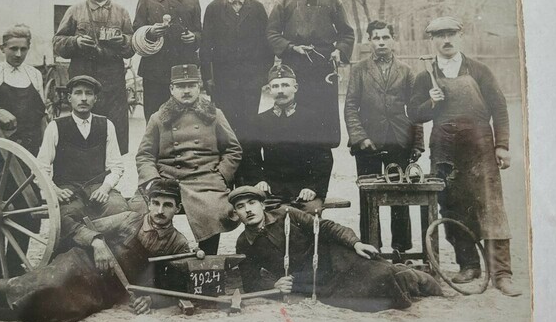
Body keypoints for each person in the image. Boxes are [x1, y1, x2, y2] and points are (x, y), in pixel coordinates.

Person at [0, 179, 191, 322]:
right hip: (83, 264)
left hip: (108, 290)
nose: (159, 211)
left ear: (177, 208)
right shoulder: (128, 219)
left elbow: (176, 286)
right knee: (49, 283)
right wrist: (96, 242)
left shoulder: (178, 244)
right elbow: (78, 226)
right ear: (148, 203)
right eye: (155, 203)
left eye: (167, 205)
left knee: (66, 310)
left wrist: (150, 299)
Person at [409, 16, 521, 296]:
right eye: (440, 35)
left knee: (491, 204)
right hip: (444, 147)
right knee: (453, 205)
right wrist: (431, 102)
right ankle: (469, 265)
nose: (446, 40)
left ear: (460, 37)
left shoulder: (479, 69)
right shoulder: (425, 75)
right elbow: (414, 114)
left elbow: (500, 108)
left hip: (480, 145)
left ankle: (502, 273)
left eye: (451, 34)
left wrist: (502, 145)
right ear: (432, 40)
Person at [230, 186, 442, 312]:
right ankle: (404, 275)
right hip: (307, 279)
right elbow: (250, 281)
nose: (248, 210)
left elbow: (325, 227)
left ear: (262, 205)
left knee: (381, 273)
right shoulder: (243, 242)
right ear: (236, 213)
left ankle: (415, 277)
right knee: (363, 298)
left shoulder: (286, 213)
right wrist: (274, 283)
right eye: (241, 207)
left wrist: (355, 243)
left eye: (252, 203)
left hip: (331, 257)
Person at [135, 64, 242, 255]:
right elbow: (145, 155)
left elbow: (233, 149)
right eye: (181, 86)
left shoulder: (215, 115)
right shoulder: (158, 118)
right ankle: (159, 258)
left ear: (199, 87)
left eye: (191, 85)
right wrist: (152, 180)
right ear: (171, 89)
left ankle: (207, 262)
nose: (186, 91)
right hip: (167, 178)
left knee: (213, 209)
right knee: (137, 211)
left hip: (205, 178)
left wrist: (221, 175)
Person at [344, 20, 424, 253]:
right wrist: (361, 137)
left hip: (399, 140)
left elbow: (416, 109)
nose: (381, 42)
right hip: (367, 143)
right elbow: (350, 106)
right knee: (368, 197)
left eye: (385, 37)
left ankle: (401, 248)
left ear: (393, 40)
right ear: (369, 41)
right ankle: (371, 247)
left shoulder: (407, 71)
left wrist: (417, 143)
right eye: (376, 38)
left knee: (401, 196)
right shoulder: (359, 69)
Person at [0, 24, 47, 276]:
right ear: (2, 48)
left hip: (29, 149)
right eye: (12, 49)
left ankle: (15, 262)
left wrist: (47, 146)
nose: (18, 54)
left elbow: (42, 113)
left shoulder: (34, 75)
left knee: (27, 207)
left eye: (23, 49)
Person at [266, 0, 355, 149]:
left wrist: (339, 50)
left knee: (323, 121)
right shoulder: (284, 2)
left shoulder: (332, 1)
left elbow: (347, 33)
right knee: (294, 118)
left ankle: (321, 163)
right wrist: (291, 48)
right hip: (293, 69)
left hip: (323, 68)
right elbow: (271, 34)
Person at [53, 0, 135, 154]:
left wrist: (121, 40)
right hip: (83, 77)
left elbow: (131, 47)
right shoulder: (75, 11)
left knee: (113, 132)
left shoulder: (121, 12)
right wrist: (76, 42)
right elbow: (58, 43)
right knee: (82, 131)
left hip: (113, 83)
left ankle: (111, 177)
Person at [240, 64, 333, 213]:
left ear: (295, 87)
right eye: (275, 86)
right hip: (271, 189)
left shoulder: (312, 119)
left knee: (309, 217)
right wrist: (259, 181)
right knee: (260, 216)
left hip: (304, 189)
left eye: (285, 85)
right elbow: (250, 156)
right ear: (269, 90)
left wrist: (313, 188)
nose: (280, 91)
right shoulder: (259, 120)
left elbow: (323, 158)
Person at [36, 75, 129, 222]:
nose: (84, 98)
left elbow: (116, 166)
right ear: (69, 97)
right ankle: (91, 242)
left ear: (95, 99)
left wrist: (105, 188)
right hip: (68, 189)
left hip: (98, 186)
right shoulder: (55, 127)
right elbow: (40, 167)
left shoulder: (106, 125)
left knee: (119, 208)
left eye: (89, 93)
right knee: (69, 215)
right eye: (78, 93)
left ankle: (108, 243)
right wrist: (55, 190)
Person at [200, 0, 274, 149]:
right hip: (222, 81)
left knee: (249, 126)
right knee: (224, 125)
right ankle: (226, 172)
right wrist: (207, 78)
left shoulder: (257, 9)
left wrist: (262, 76)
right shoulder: (214, 8)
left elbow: (267, 45)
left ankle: (248, 173)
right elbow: (205, 46)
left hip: (250, 81)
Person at [132, 0, 201, 121]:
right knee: (155, 117)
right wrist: (150, 32)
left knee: (184, 118)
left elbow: (200, 31)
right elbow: (136, 29)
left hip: (183, 69)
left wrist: (194, 37)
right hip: (154, 70)